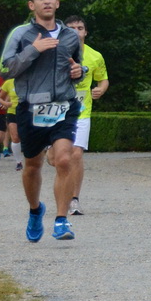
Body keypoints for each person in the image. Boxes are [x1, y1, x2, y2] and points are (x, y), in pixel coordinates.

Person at [0, 0, 84, 242]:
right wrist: (34, 50)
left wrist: (80, 72)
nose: (47, 1)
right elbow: (6, 70)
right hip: (31, 108)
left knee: (64, 160)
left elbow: (77, 68)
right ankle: (36, 210)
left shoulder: (70, 36)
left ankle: (61, 220)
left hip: (64, 106)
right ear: (32, 5)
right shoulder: (22, 34)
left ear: (57, 3)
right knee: (33, 166)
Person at [63, 16, 108, 215]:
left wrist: (100, 89)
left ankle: (74, 199)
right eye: (71, 28)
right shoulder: (54, 53)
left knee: (76, 154)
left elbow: (103, 80)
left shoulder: (95, 56)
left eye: (79, 28)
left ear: (85, 32)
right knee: (56, 158)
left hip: (81, 112)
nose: (76, 31)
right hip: (56, 113)